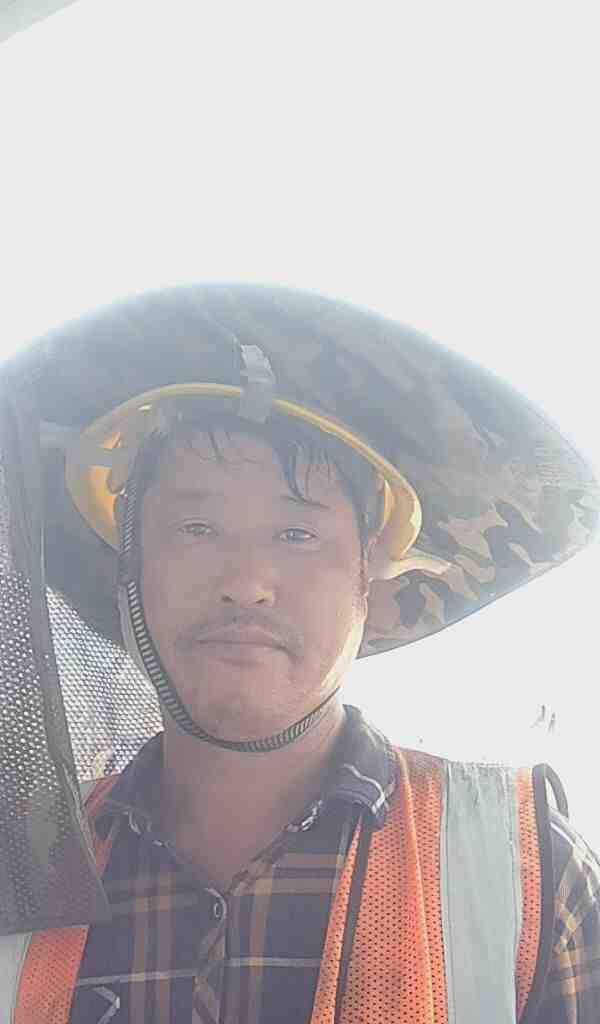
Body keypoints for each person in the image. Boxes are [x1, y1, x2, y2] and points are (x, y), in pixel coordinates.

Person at [0, 282, 599, 1023]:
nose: (246, 582)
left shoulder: (526, 872)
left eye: (297, 534)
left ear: (370, 581)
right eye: (195, 528)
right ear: (131, 567)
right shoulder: (26, 870)